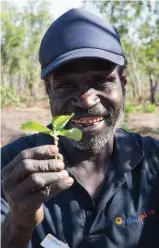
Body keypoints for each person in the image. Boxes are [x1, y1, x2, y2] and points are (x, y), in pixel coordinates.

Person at [1, 8, 159, 248]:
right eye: (66, 85)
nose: (86, 100)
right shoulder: (12, 169)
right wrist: (20, 223)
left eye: (101, 81)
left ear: (124, 84)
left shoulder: (154, 162)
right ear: (49, 91)